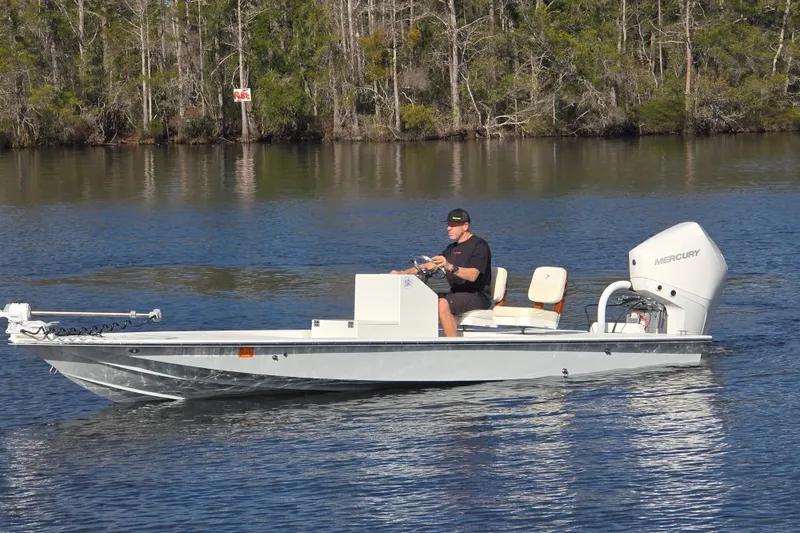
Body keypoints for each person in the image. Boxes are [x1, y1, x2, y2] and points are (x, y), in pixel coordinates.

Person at [391, 208, 492, 337]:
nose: (448, 228)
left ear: (465, 226)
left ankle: (452, 347)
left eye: (453, 225)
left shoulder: (479, 245)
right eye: (448, 225)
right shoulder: (451, 248)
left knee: (442, 303)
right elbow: (429, 265)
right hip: (454, 293)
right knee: (422, 298)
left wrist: (450, 266)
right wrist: (402, 273)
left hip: (477, 295)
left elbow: (473, 276)